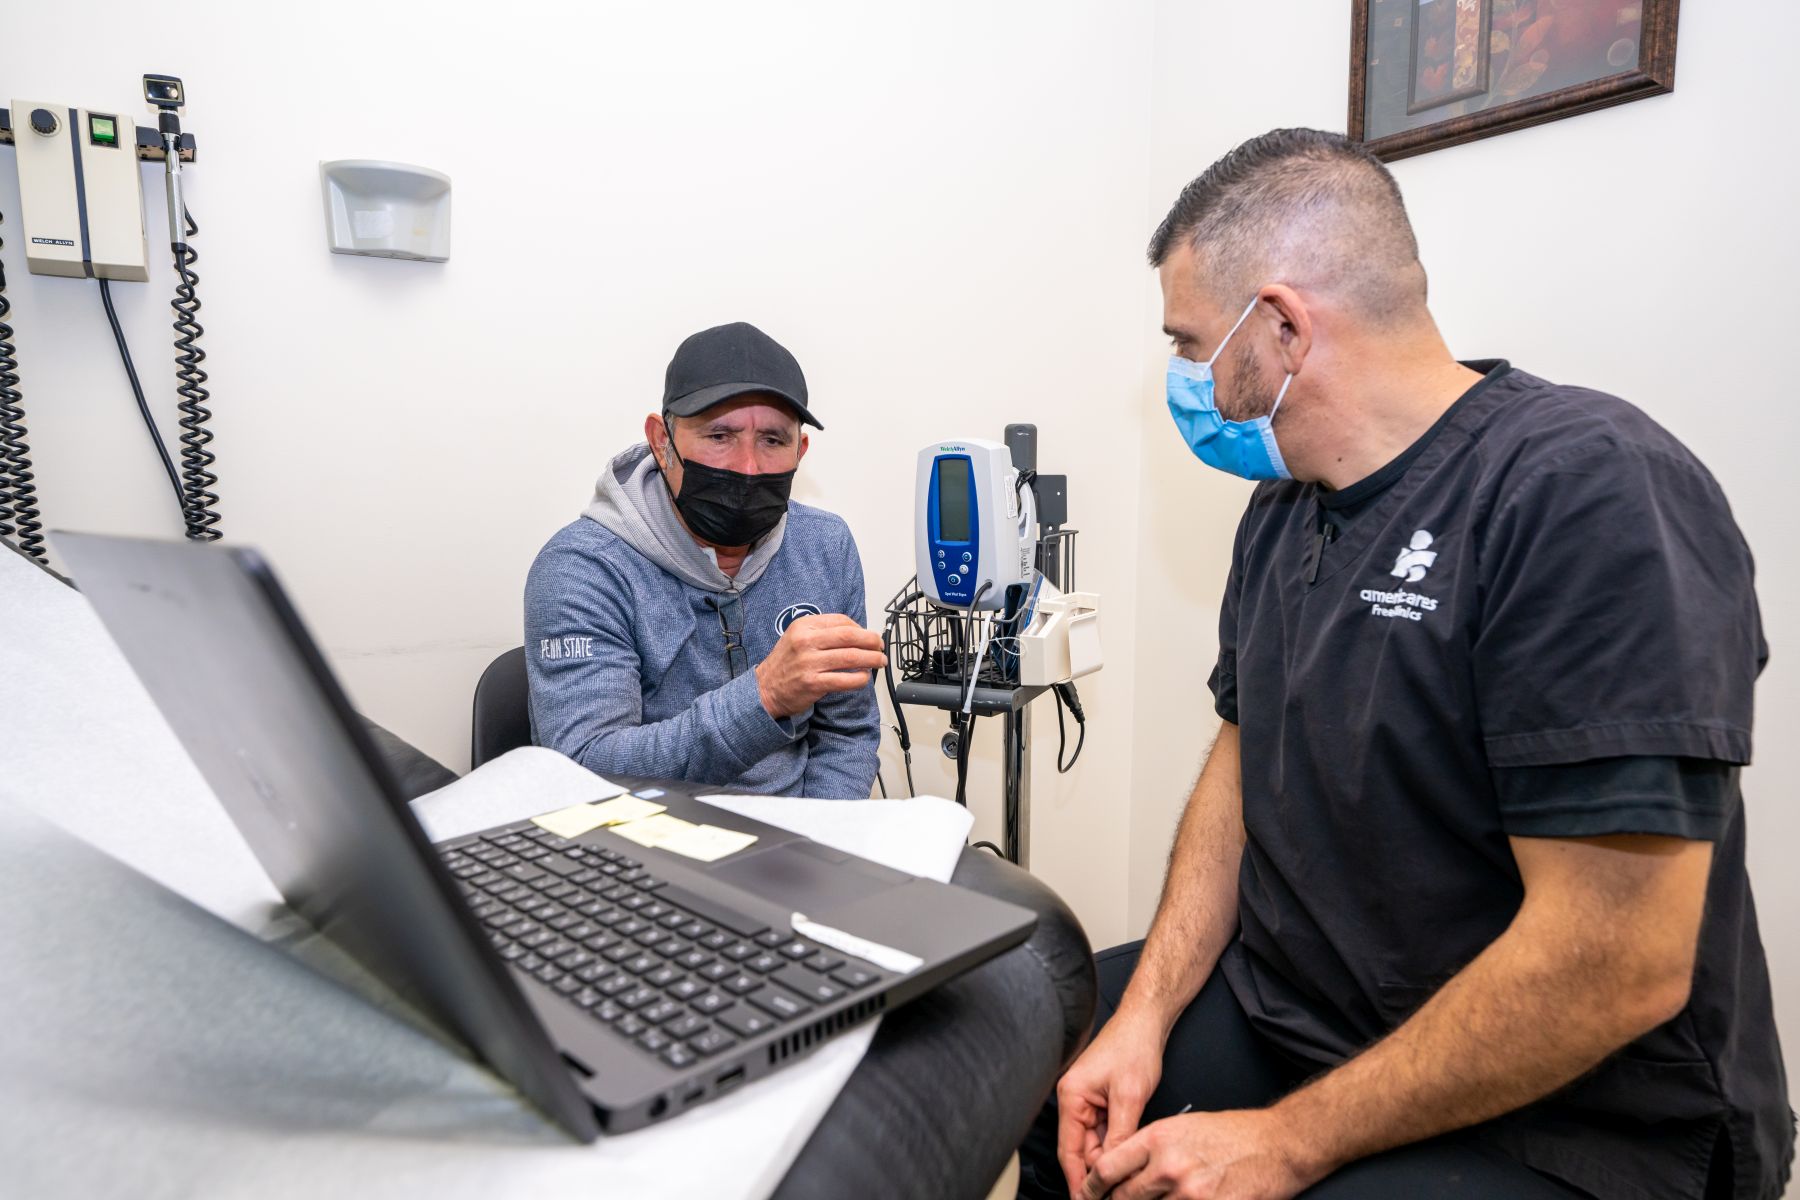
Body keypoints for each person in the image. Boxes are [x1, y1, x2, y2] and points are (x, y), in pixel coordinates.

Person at [1019, 129, 1791, 1199]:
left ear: (1281, 326)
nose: (1183, 378)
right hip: (1308, 1008)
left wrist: (1287, 1140)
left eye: (1191, 343)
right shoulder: (1283, 510)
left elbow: (1618, 961)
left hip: (1568, 1116)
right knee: (1054, 1067)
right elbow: (1242, 772)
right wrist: (1142, 1016)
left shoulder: (1587, 494)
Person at [525, 321, 885, 799]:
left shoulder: (824, 545)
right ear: (661, 441)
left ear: (801, 451)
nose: (749, 466)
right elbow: (587, 768)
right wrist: (764, 697)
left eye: (773, 440)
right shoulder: (584, 569)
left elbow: (847, 735)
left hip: (801, 842)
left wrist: (823, 841)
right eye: (719, 435)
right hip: (650, 846)